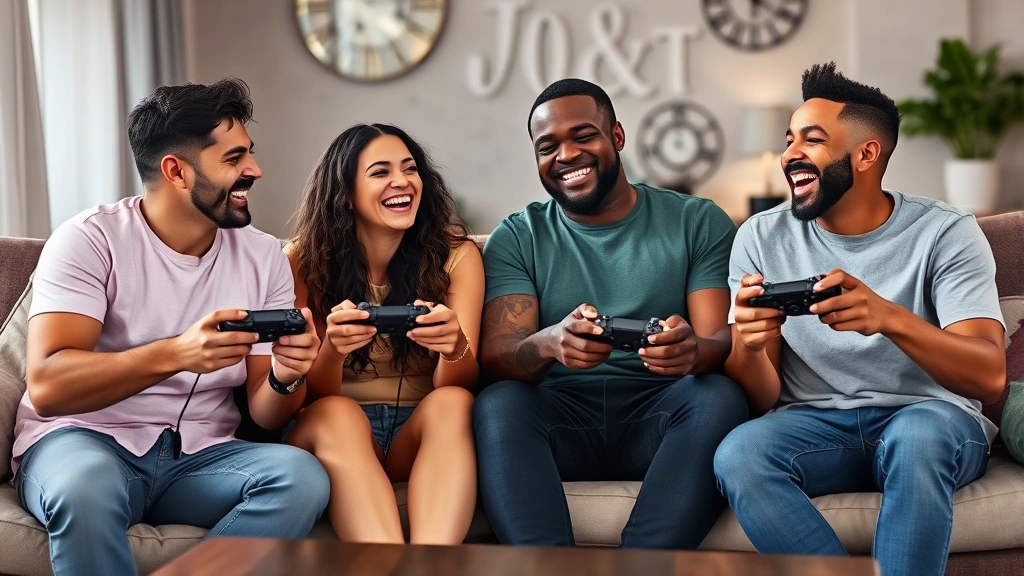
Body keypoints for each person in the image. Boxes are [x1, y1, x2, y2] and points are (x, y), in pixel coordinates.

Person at [13, 78, 330, 576]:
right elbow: (49, 386)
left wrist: (286, 376)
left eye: (250, 154)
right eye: (234, 159)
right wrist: (178, 353)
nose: (255, 170)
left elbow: (268, 416)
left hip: (199, 459)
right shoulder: (89, 240)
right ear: (176, 171)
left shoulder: (264, 257)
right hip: (83, 442)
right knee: (85, 487)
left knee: (301, 478)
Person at [714, 63, 1006, 576]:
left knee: (917, 440)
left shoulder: (946, 233)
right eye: (789, 139)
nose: (789, 154)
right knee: (739, 454)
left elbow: (989, 375)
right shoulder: (759, 238)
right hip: (815, 424)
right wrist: (752, 347)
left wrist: (890, 318)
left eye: (812, 139)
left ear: (866, 153)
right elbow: (759, 397)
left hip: (930, 416)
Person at [472, 78, 748, 549]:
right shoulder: (518, 237)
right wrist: (547, 343)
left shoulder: (697, 222)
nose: (566, 155)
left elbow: (720, 342)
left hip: (661, 422)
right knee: (498, 404)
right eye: (547, 146)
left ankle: (641, 563)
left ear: (616, 137)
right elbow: (496, 357)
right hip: (560, 423)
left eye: (583, 136)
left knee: (718, 396)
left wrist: (690, 351)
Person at [284, 123, 483, 544]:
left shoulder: (457, 255)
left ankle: (432, 563)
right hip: (336, 428)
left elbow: (464, 385)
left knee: (453, 401)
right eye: (380, 172)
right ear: (345, 192)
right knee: (337, 414)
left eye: (410, 169)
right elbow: (309, 398)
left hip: (421, 431)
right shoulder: (300, 260)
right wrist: (332, 352)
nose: (402, 181)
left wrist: (455, 347)